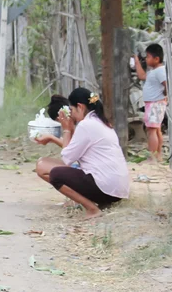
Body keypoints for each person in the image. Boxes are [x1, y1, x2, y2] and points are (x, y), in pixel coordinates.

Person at [35, 88, 130, 219]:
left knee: (56, 175)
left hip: (106, 189)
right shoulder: (100, 121)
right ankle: (90, 202)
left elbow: (67, 158)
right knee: (45, 164)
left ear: (80, 107)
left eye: (72, 110)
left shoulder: (87, 125)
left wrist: (67, 130)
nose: (72, 114)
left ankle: (92, 209)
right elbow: (72, 151)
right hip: (116, 189)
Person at [134, 44, 167, 162]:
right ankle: (158, 156)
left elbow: (166, 84)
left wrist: (165, 94)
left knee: (151, 130)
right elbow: (142, 76)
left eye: (148, 57)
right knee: (156, 130)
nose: (146, 59)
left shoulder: (159, 71)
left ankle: (152, 157)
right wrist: (136, 61)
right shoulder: (154, 71)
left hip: (155, 104)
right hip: (154, 103)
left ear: (156, 59)